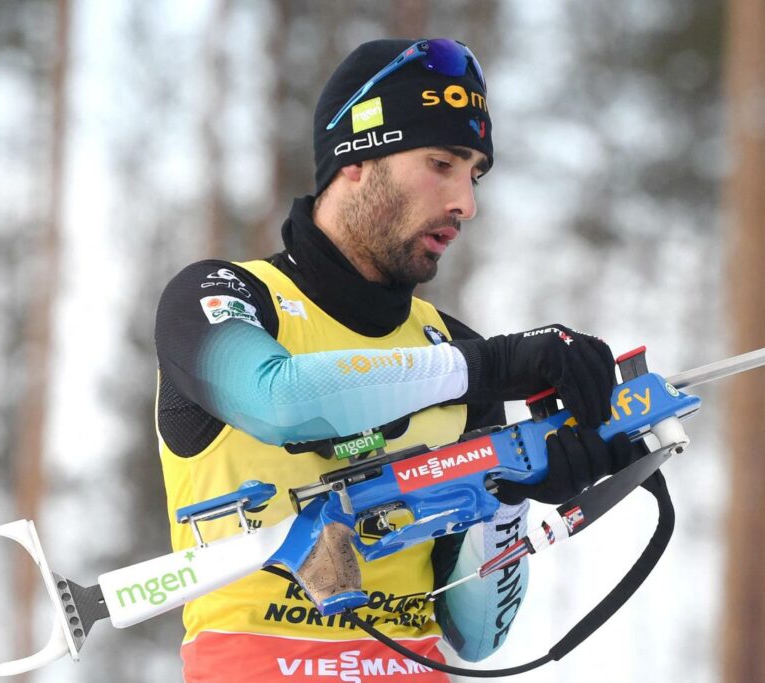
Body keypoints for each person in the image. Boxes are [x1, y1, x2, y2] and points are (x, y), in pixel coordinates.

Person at [154, 38, 636, 682]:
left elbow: (473, 634)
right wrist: (486, 367)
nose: (467, 203)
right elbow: (282, 401)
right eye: (442, 163)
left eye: (474, 174)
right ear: (357, 158)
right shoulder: (225, 295)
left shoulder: (452, 343)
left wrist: (512, 498)